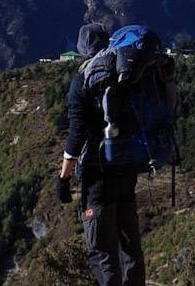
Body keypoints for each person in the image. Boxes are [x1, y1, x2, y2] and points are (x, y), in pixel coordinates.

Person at [57, 23, 146, 286]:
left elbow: (76, 134)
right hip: (127, 168)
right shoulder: (127, 74)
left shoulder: (83, 80)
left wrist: (64, 178)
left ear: (83, 49)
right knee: (129, 245)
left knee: (103, 250)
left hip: (97, 176)